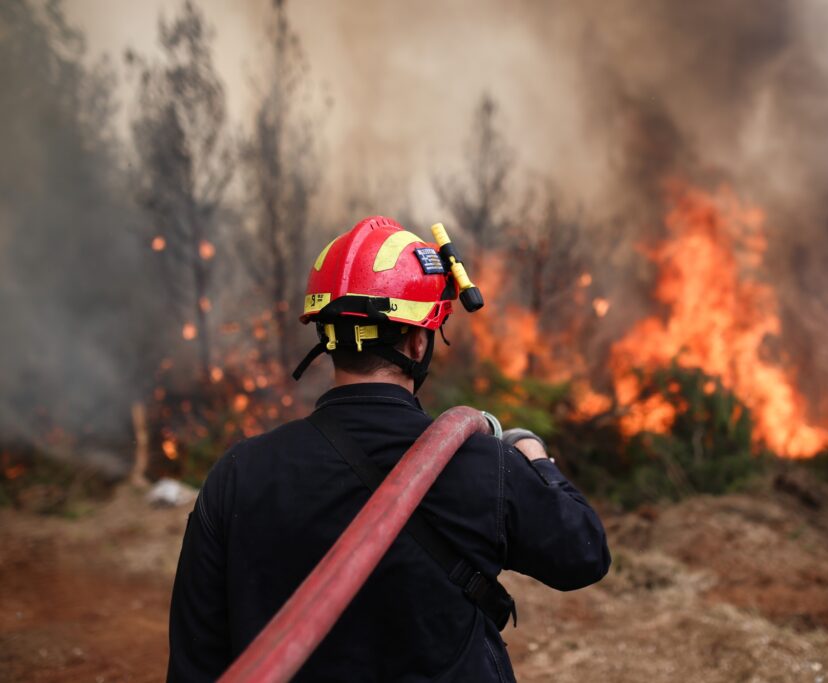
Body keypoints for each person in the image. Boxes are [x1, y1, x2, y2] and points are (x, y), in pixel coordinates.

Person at [167, 216, 610, 682]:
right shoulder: (485, 467)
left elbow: (196, 658)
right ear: (419, 341)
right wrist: (533, 455)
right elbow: (584, 554)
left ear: (326, 334)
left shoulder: (238, 474)